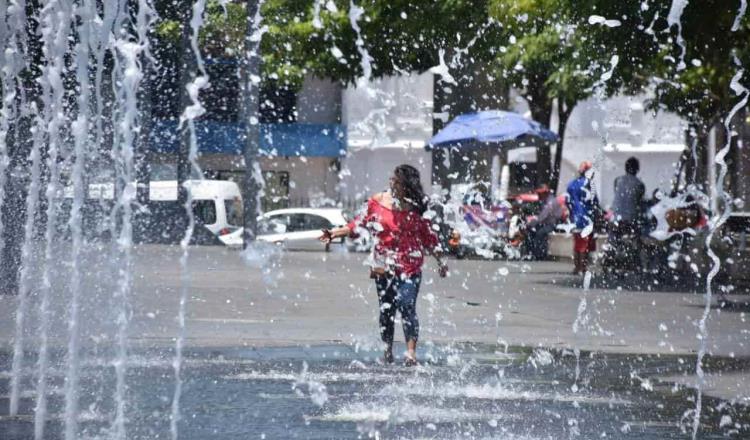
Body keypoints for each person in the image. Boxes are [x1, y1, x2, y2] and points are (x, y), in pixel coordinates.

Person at [319, 165, 448, 366]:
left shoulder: (417, 207)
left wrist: (441, 261)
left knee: (407, 306)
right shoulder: (377, 201)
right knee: (387, 310)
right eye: (391, 179)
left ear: (406, 185)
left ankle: (411, 353)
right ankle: (387, 349)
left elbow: (429, 237)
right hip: (384, 265)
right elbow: (358, 223)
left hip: (410, 266)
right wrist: (334, 233)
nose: (391, 183)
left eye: (396, 181)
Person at [566, 161, 599, 274]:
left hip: (575, 218)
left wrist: (572, 213)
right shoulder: (589, 185)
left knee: (577, 243)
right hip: (586, 218)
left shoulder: (571, 185)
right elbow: (595, 203)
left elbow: (567, 201)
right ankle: (583, 268)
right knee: (585, 244)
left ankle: (577, 267)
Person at [525, 184, 563, 260]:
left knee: (540, 233)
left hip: (552, 224)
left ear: (545, 193)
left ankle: (539, 254)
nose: (538, 195)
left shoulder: (550, 201)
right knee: (530, 231)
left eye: (540, 193)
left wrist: (532, 223)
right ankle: (530, 252)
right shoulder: (544, 201)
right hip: (545, 223)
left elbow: (543, 216)